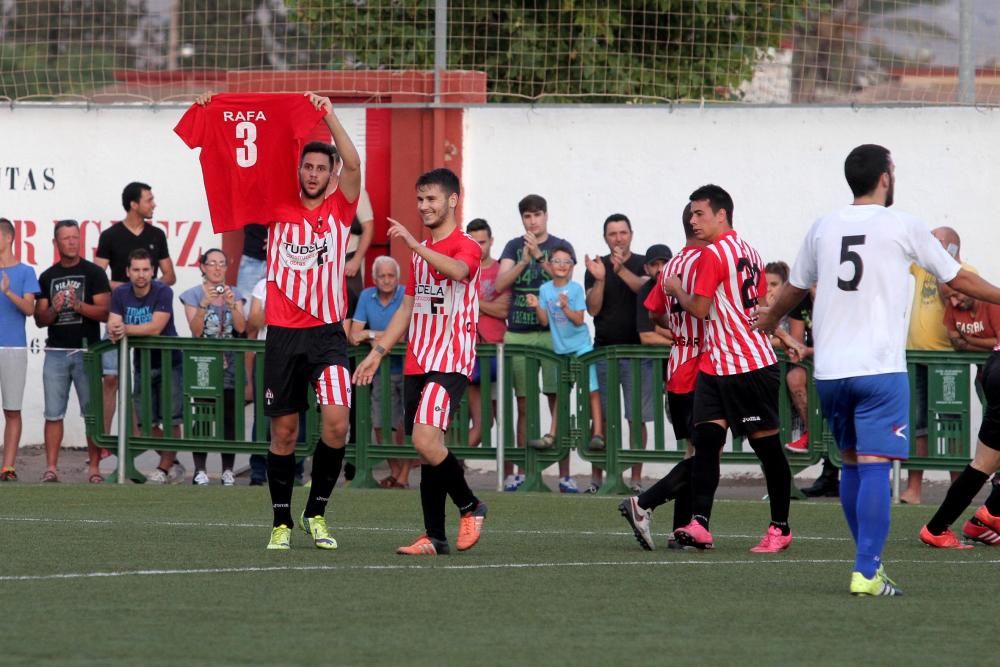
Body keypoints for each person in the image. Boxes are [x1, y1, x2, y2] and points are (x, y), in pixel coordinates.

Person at [759, 143, 1000, 595]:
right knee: (872, 466)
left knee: (851, 463)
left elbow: (792, 290)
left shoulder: (823, 226)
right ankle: (867, 570)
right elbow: (958, 278)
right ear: (885, 177)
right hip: (879, 370)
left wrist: (769, 321)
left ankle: (868, 565)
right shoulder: (902, 224)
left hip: (830, 372)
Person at [217, 93, 363, 551]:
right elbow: (240, 158)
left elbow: (355, 166)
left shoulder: (340, 209)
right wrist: (215, 109)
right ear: (299, 171)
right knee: (285, 432)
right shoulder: (277, 202)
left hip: (326, 335)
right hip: (282, 334)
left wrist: (330, 116)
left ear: (330, 174)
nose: (314, 174)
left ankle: (315, 512)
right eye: (308, 167)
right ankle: (280, 520)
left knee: (337, 423)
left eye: (322, 168)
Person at [353, 167, 487, 556]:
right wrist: (378, 353)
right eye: (420, 200)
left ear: (452, 201)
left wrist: (416, 245)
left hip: (451, 359)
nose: (423, 206)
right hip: (417, 359)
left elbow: (460, 271)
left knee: (425, 440)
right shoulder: (420, 254)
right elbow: (408, 308)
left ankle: (471, 505)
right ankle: (435, 535)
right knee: (428, 448)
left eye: (431, 199)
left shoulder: (466, 245)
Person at [664, 184, 793, 554]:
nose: (693, 219)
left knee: (766, 448)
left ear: (722, 215)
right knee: (705, 443)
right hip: (716, 365)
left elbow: (700, 309)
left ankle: (780, 526)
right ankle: (699, 523)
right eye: (691, 214)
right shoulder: (749, 250)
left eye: (699, 213)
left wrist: (676, 288)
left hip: (747, 364)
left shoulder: (712, 255)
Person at [621, 207, 705, 550]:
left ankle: (681, 530)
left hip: (679, 368)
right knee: (704, 455)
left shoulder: (670, 267)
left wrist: (678, 331)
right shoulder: (706, 262)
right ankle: (644, 503)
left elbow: (655, 308)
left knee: (693, 453)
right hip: (703, 370)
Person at [95, 182, 178, 477]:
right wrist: (126, 289)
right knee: (112, 380)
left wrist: (147, 289)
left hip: (154, 340)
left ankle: (166, 463)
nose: (153, 204)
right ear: (133, 204)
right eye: (149, 199)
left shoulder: (157, 235)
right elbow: (96, 275)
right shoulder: (111, 235)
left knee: (170, 412)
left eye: (146, 270)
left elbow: (170, 275)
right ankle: (107, 445)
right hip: (124, 324)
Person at [495, 194, 575, 491]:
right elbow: (499, 284)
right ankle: (520, 472)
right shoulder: (513, 247)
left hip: (554, 332)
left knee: (558, 401)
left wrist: (540, 258)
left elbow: (565, 281)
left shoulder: (560, 246)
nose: (533, 221)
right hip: (518, 332)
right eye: (527, 216)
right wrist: (524, 261)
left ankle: (564, 475)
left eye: (537, 215)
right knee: (524, 405)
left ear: (546, 216)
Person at [34, 220, 111, 483]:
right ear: (56, 243)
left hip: (86, 352)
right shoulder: (47, 276)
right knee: (53, 413)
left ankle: (94, 469)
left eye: (75, 237)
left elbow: (104, 312)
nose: (71, 242)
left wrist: (78, 305)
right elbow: (39, 319)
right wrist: (55, 308)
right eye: (66, 238)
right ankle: (51, 468)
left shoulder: (94, 273)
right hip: (55, 352)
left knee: (91, 414)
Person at [902, 226, 975, 504]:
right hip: (917, 356)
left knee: (952, 422)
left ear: (953, 247)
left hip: (949, 359)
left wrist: (949, 265)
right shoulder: (923, 268)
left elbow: (968, 305)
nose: (929, 245)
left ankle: (957, 489)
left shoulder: (967, 271)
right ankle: (914, 489)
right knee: (918, 422)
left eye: (936, 241)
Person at [584, 214, 654, 494]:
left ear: (631, 234)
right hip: (604, 352)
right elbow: (592, 308)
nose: (618, 238)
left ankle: (635, 480)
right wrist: (601, 279)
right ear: (605, 238)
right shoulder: (596, 266)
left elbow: (647, 294)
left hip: (639, 355)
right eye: (612, 234)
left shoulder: (642, 263)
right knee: (601, 420)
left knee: (635, 419)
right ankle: (596, 480)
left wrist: (622, 270)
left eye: (623, 232)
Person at [525, 245, 602, 493]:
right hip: (561, 350)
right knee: (560, 394)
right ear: (550, 264)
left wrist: (566, 306)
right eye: (556, 260)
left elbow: (579, 320)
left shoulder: (577, 289)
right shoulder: (545, 289)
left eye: (566, 261)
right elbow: (544, 320)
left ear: (572, 266)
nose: (560, 265)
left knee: (591, 391)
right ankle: (552, 434)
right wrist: (537, 304)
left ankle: (597, 432)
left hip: (580, 346)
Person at [107, 248, 182, 483]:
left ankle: (163, 468)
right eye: (136, 270)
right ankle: (174, 464)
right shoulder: (120, 293)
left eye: (146, 270)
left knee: (172, 419)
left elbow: (155, 327)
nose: (141, 274)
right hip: (142, 362)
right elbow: (113, 326)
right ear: (128, 272)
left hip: (170, 362)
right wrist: (117, 328)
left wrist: (125, 329)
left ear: (153, 272)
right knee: (144, 423)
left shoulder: (163, 291)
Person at [179, 248, 247, 486]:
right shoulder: (192, 295)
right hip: (203, 364)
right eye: (212, 263)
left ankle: (228, 470)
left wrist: (232, 306)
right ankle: (200, 470)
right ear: (203, 267)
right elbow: (196, 331)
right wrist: (204, 305)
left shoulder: (235, 294)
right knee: (203, 416)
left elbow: (241, 328)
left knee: (229, 416)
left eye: (222, 263)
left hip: (230, 364)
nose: (217, 268)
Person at [349, 255, 409, 488]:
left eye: (391, 275)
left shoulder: (405, 294)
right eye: (382, 276)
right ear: (374, 278)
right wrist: (376, 336)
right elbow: (355, 336)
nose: (386, 280)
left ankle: (403, 476)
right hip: (381, 370)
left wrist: (371, 335)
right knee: (379, 423)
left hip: (407, 368)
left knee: (409, 426)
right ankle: (395, 471)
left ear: (397, 277)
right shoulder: (366, 296)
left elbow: (404, 335)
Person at [0, 218, 40, 482]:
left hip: (12, 346)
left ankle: (8, 467)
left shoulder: (25, 272)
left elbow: (30, 309)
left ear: (8, 237)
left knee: (12, 410)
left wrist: (8, 292)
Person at [466, 218, 509, 448]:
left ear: (491, 241)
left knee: (493, 422)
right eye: (473, 242)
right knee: (479, 423)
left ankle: (446, 467)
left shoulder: (502, 269)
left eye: (482, 242)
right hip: (468, 352)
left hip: (497, 350)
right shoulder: (461, 270)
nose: (478, 247)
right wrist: (486, 305)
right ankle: (447, 468)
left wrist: (473, 303)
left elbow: (504, 309)